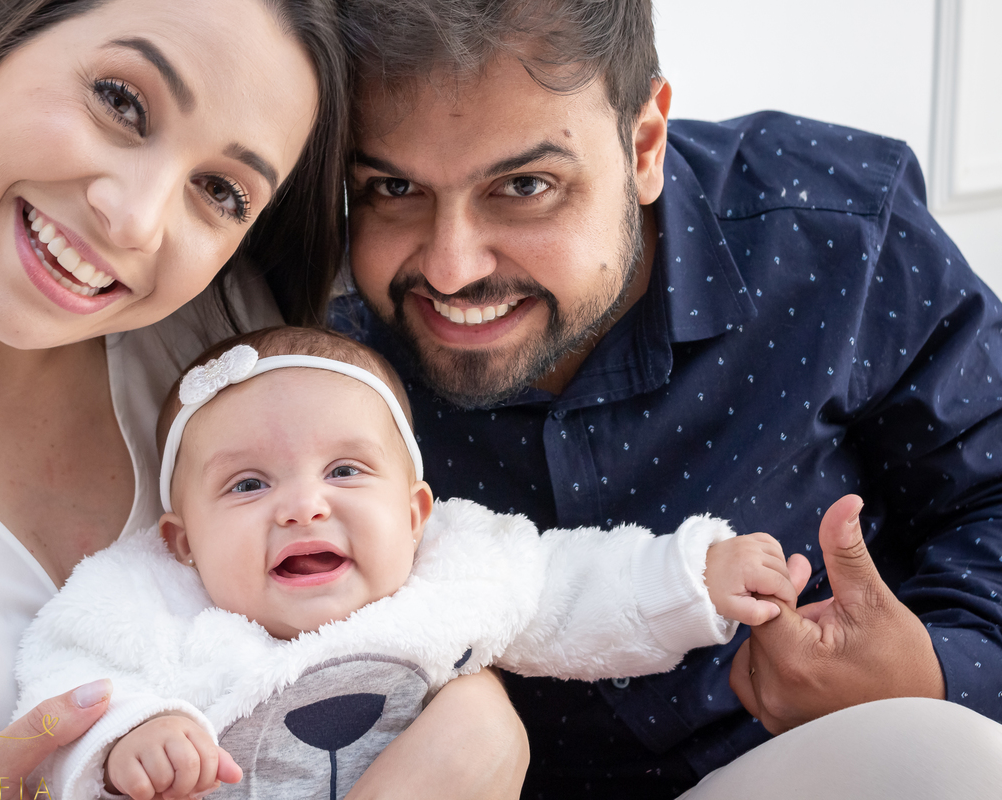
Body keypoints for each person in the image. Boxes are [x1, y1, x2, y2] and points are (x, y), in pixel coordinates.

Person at [0, 2, 528, 798]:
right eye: (120, 101)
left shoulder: (231, 357)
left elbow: (401, 605)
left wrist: (477, 724)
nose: (135, 219)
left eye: (219, 190)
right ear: (2, 35)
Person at [332, 0, 1002, 797]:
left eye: (525, 184)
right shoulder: (305, 333)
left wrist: (934, 673)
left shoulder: (838, 234)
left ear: (644, 143)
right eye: (393, 186)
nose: (449, 269)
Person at [13, 325, 802, 800]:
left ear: (415, 513)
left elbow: (572, 588)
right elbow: (64, 676)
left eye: (346, 471)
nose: (302, 507)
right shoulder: (151, 604)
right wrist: (129, 735)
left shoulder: (452, 573)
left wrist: (694, 575)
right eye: (249, 484)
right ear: (182, 542)